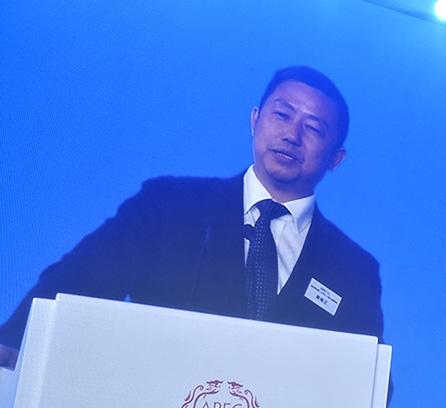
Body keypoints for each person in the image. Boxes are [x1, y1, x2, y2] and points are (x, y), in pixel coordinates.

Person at [0, 66, 383, 368]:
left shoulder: (353, 270)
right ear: (255, 120)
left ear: (336, 158)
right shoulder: (168, 206)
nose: (291, 135)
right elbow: (78, 279)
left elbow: (368, 383)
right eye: (282, 114)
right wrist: (15, 342)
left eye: (313, 128)